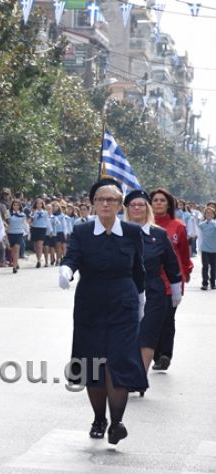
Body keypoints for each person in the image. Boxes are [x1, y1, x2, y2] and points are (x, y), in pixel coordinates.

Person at [59, 178, 146, 445]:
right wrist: (66, 270)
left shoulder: (132, 232)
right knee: (94, 364)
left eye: (111, 200)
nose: (105, 204)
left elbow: (138, 269)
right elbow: (73, 256)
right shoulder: (82, 231)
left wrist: (140, 299)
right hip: (90, 305)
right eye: (100, 199)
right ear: (93, 204)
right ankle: (99, 418)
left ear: (121, 205)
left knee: (118, 362)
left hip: (124, 305)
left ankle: (117, 422)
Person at [124, 190, 181, 385]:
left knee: (147, 334)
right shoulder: (118, 232)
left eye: (141, 205)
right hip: (125, 290)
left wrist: (175, 290)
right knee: (126, 333)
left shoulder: (159, 234)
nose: (137, 208)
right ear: (128, 209)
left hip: (153, 291)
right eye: (133, 205)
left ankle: (139, 375)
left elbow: (172, 264)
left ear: (147, 208)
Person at [150, 188, 192, 371]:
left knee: (168, 318)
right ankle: (154, 352)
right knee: (152, 318)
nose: (158, 203)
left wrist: (186, 271)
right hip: (150, 280)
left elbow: (184, 254)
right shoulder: (143, 226)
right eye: (155, 200)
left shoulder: (178, 226)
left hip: (172, 281)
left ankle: (164, 354)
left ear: (169, 204)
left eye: (162, 200)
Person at [198, 206, 216, 290]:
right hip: (205, 248)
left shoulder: (215, 224)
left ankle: (213, 283)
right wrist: (199, 248)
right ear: (204, 214)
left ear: (213, 215)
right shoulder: (201, 225)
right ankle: (205, 283)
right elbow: (200, 236)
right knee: (205, 266)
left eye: (211, 213)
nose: (209, 214)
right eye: (207, 213)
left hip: (214, 249)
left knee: (214, 267)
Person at [7, 199, 27, 273]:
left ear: (19, 206)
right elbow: (7, 223)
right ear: (12, 206)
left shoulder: (23, 214)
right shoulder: (9, 213)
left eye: (17, 205)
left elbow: (24, 224)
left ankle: (14, 267)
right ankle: (16, 262)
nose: (16, 206)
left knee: (16, 249)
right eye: (14, 205)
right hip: (11, 233)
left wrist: (27, 233)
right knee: (12, 250)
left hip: (19, 233)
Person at [30, 198, 49, 268]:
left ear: (42, 204)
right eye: (37, 203)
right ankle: (38, 258)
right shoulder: (33, 211)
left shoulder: (45, 212)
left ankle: (39, 260)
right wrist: (31, 214)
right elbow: (30, 220)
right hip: (35, 228)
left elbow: (47, 221)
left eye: (40, 203)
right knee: (36, 246)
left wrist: (50, 230)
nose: (39, 205)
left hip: (42, 228)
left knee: (39, 245)